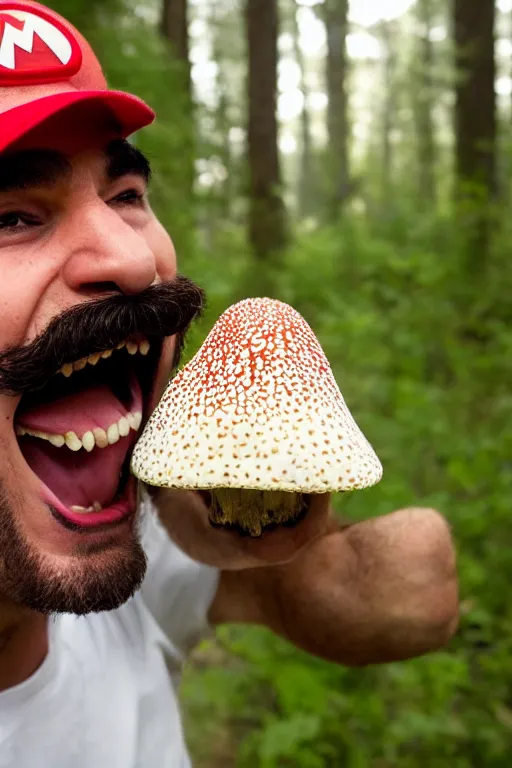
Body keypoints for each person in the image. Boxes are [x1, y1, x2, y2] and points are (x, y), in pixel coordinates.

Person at [0, 2, 458, 766]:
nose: (135, 259)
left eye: (126, 197)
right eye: (12, 217)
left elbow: (414, 594)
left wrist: (258, 514)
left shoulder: (128, 546)